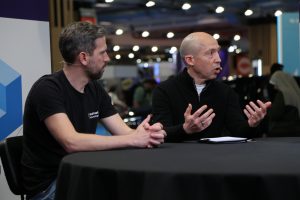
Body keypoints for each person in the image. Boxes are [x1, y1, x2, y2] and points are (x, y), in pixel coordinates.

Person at [21, 21, 166, 200]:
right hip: (51, 185)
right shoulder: (48, 89)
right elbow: (71, 142)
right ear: (83, 57)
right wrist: (133, 138)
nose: (107, 58)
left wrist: (145, 134)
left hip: (81, 174)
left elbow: (125, 132)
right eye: (103, 52)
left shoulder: (94, 89)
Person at [151, 32, 271, 142]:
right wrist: (184, 129)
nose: (218, 59)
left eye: (217, 52)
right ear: (190, 60)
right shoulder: (164, 90)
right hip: (177, 160)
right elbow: (159, 133)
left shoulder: (225, 91)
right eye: (210, 53)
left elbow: (238, 131)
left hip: (216, 160)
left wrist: (252, 124)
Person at [267, 71, 300, 136]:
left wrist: (268, 109)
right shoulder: (295, 92)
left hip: (284, 130)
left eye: (275, 83)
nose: (274, 87)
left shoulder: (282, 94)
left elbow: (275, 114)